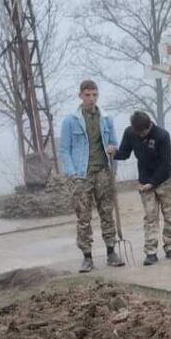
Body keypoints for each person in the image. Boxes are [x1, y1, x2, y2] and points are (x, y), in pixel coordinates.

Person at [59, 80, 124, 273]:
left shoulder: (106, 118)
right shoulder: (71, 120)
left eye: (94, 95)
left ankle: (111, 251)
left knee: (106, 212)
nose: (91, 99)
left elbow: (113, 142)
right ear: (80, 96)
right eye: (87, 95)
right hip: (81, 174)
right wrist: (72, 173)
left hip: (103, 172)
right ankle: (87, 257)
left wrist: (113, 150)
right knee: (83, 217)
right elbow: (64, 150)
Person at [114, 111, 171, 266]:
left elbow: (165, 163)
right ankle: (151, 251)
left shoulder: (162, 136)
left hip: (164, 180)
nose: (141, 135)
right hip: (145, 183)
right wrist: (114, 153)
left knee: (169, 215)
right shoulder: (130, 133)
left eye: (144, 132)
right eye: (138, 132)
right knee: (150, 217)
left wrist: (153, 182)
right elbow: (124, 153)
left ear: (149, 125)